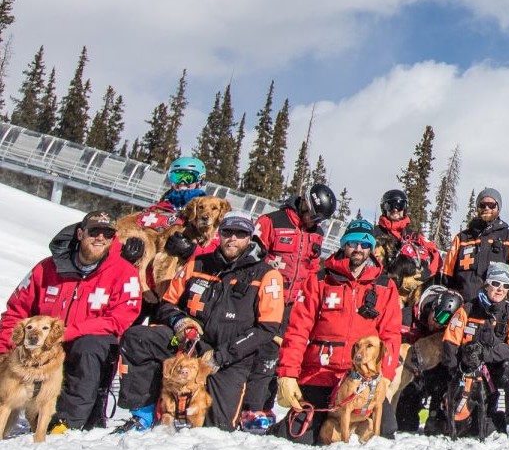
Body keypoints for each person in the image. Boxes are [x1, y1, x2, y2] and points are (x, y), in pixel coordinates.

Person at [116, 212, 286, 432]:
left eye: (240, 233)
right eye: (227, 232)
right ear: (219, 233)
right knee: (138, 338)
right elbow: (166, 304)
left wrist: (221, 356)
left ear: (250, 238)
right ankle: (143, 413)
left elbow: (267, 328)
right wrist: (179, 321)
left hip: (231, 356)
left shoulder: (267, 275)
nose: (232, 238)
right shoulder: (197, 264)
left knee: (219, 426)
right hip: (187, 344)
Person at [0, 210, 142, 433]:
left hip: (83, 348)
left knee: (89, 346)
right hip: (38, 350)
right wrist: (4, 348)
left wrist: (70, 332)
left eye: (107, 234)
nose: (100, 238)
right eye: (94, 231)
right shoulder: (47, 268)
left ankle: (65, 423)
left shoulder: (124, 273)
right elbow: (17, 310)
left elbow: (121, 318)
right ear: (80, 233)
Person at [274, 219, 403, 443]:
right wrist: (288, 374)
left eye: (364, 245)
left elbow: (390, 335)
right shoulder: (321, 280)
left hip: (363, 379)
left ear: (371, 248)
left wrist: (386, 376)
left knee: (386, 432)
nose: (358, 249)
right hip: (320, 373)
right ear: (344, 244)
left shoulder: (384, 286)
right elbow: (297, 330)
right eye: (353, 243)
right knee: (298, 437)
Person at [439, 262, 509, 436]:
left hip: (495, 369)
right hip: (467, 372)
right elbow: (450, 342)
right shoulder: (467, 310)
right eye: (495, 283)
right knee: (472, 428)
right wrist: (456, 373)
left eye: (505, 285)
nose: (499, 289)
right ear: (487, 284)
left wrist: (488, 354)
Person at [254, 182, 337, 314]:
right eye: (314, 216)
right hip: (265, 297)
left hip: (293, 305)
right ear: (305, 204)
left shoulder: (317, 233)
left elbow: (313, 267)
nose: (315, 222)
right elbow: (252, 257)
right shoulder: (272, 221)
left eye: (320, 220)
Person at [442, 188, 509, 305]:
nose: (486, 208)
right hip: (462, 305)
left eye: (491, 205)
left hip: (494, 309)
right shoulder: (462, 238)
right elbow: (447, 274)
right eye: (482, 205)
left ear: (498, 208)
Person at [373, 188, 441, 277]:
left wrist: (427, 273)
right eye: (390, 205)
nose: (395, 209)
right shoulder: (374, 233)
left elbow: (434, 252)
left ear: (405, 208)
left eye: (400, 205)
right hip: (380, 282)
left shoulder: (413, 236)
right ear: (384, 208)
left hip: (409, 283)